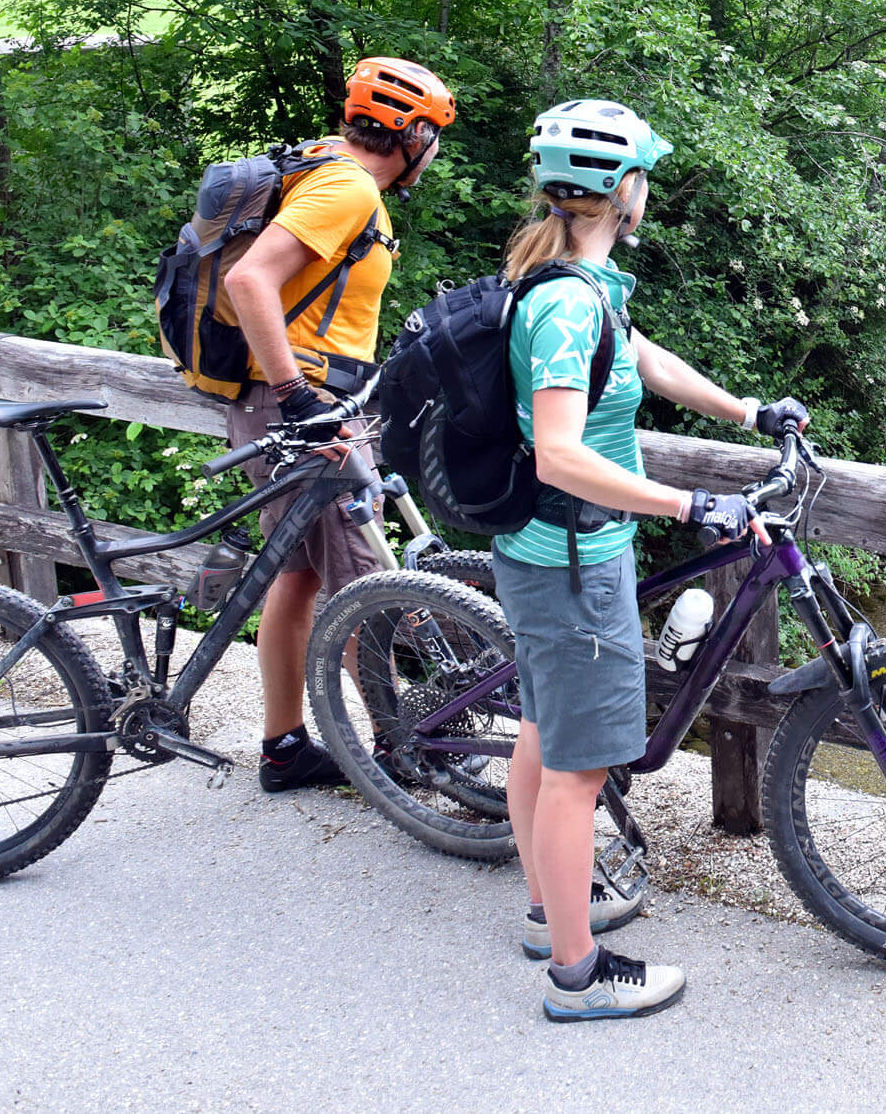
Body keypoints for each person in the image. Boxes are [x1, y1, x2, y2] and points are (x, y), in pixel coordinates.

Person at [495, 98, 807, 1022]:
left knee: (549, 731)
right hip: (571, 556)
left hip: (561, 550)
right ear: (621, 190)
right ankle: (577, 974)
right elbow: (559, 452)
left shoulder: (582, 285)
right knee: (577, 769)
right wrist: (689, 501)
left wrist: (748, 412)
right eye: (646, 179)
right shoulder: (562, 305)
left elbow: (645, 362)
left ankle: (552, 909)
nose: (650, 193)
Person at [221, 56, 457, 793]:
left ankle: (285, 746)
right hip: (302, 409)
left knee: (295, 577)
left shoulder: (318, 164)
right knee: (365, 586)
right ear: (411, 133)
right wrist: (298, 398)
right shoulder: (348, 187)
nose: (437, 152)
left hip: (275, 400)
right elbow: (247, 279)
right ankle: (403, 751)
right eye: (436, 136)